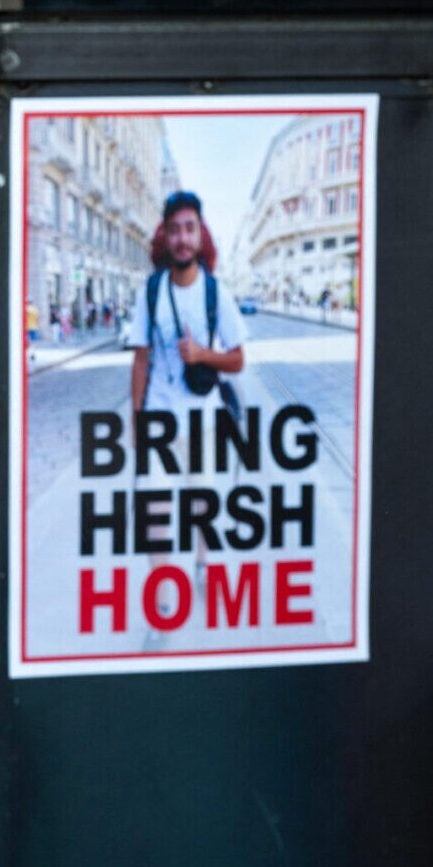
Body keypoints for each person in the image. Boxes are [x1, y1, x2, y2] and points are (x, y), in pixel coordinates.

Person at [122, 189, 248, 645]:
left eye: (189, 228)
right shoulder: (150, 291)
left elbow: (237, 361)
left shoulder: (218, 293)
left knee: (203, 506)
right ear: (165, 236)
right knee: (153, 510)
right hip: (160, 418)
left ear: (200, 234)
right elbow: (140, 360)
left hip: (205, 423)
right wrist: (137, 420)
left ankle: (201, 563)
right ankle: (162, 606)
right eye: (173, 229)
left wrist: (202, 354)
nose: (181, 238)